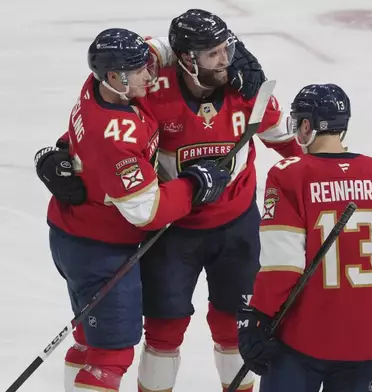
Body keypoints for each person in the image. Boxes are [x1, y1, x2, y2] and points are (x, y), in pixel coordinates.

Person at [35, 9, 303, 392]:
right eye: (213, 53)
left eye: (227, 48)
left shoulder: (248, 90)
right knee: (163, 332)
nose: (226, 60)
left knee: (234, 328)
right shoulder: (149, 85)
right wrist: (62, 148)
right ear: (186, 59)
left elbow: (291, 145)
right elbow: (110, 114)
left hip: (236, 226)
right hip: (171, 232)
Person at [36, 28, 230, 392]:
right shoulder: (116, 134)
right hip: (101, 249)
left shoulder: (99, 85)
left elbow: (160, 48)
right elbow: (147, 211)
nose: (151, 75)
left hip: (73, 233)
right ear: (114, 76)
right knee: (111, 355)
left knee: (88, 339)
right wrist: (194, 184)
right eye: (139, 70)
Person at [235, 83, 372, 392]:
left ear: (305, 125)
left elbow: (283, 267)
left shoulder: (289, 174)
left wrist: (258, 317)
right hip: (365, 343)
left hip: (303, 339)